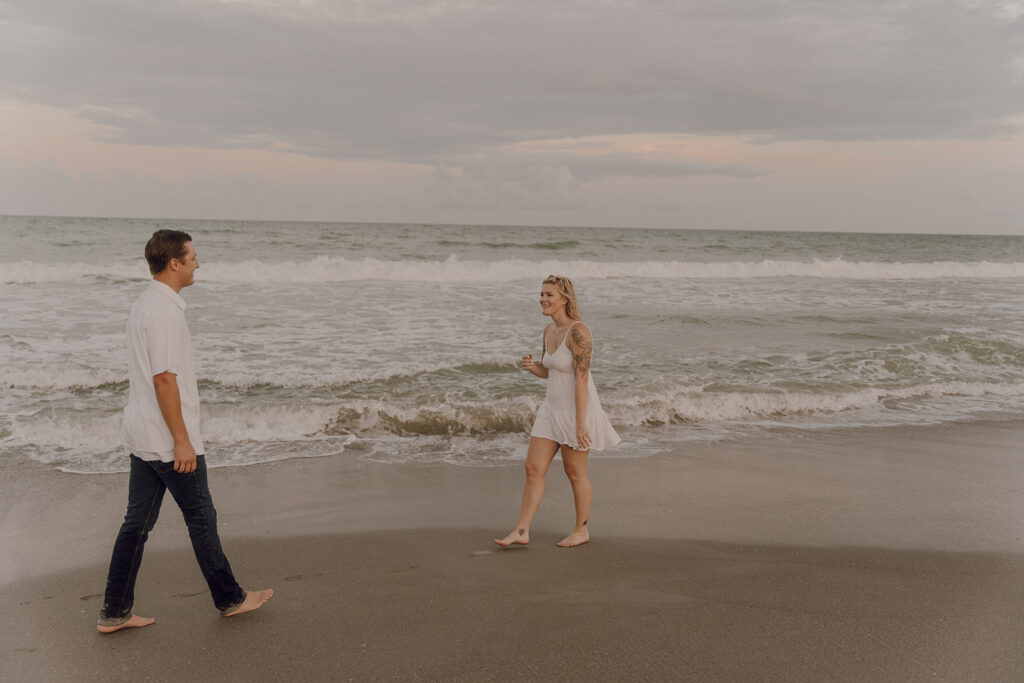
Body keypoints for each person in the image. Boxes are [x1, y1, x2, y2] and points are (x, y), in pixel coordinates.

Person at [96, 230, 272, 634]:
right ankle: (230, 599)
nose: (197, 264)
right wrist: (181, 440)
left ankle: (114, 611)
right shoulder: (164, 312)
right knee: (201, 518)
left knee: (136, 525)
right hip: (165, 439)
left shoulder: (145, 303)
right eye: (192, 258)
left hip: (144, 434)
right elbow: (164, 379)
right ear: (174, 263)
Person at [495, 275, 620, 548]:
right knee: (533, 468)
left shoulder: (579, 332)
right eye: (542, 294)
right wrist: (533, 368)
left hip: (576, 410)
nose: (543, 299)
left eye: (549, 294)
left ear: (564, 299)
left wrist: (580, 422)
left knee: (574, 472)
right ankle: (521, 531)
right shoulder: (548, 331)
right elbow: (550, 371)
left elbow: (581, 380)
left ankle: (581, 530)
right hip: (550, 409)